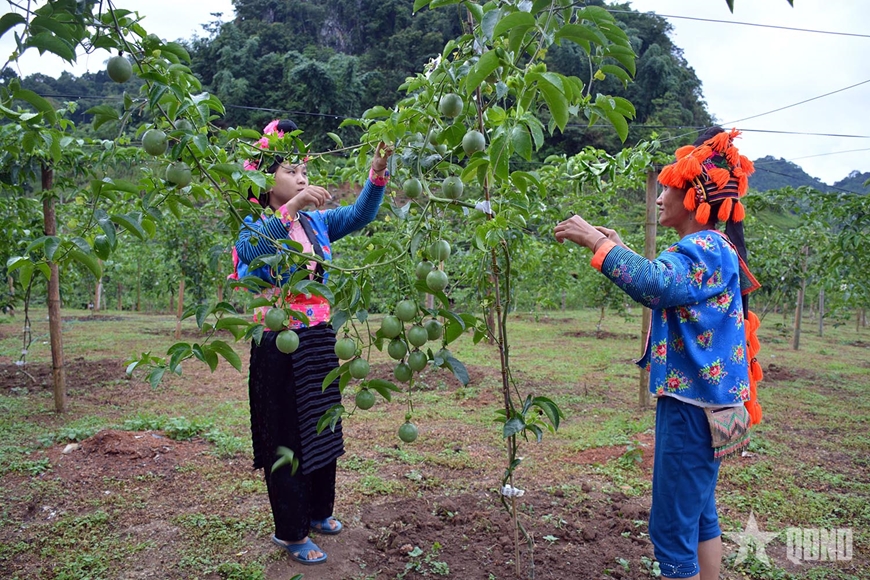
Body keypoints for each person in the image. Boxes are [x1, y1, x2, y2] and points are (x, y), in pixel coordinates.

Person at [554, 127, 764, 580]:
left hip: (692, 411)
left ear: (693, 197)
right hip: (715, 407)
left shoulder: (703, 248)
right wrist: (619, 246)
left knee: (671, 529)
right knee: (699, 513)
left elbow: (655, 285)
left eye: (668, 184)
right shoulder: (711, 249)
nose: (659, 194)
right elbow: (668, 282)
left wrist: (597, 242)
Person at [232, 119, 392, 565]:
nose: (301, 177)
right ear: (263, 181)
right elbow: (251, 251)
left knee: (323, 430)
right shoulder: (253, 224)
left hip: (320, 339)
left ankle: (319, 512)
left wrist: (377, 173)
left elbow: (361, 214)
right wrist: (294, 205)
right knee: (286, 439)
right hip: (278, 344)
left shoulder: (316, 224)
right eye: (289, 171)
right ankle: (291, 532)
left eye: (304, 171)